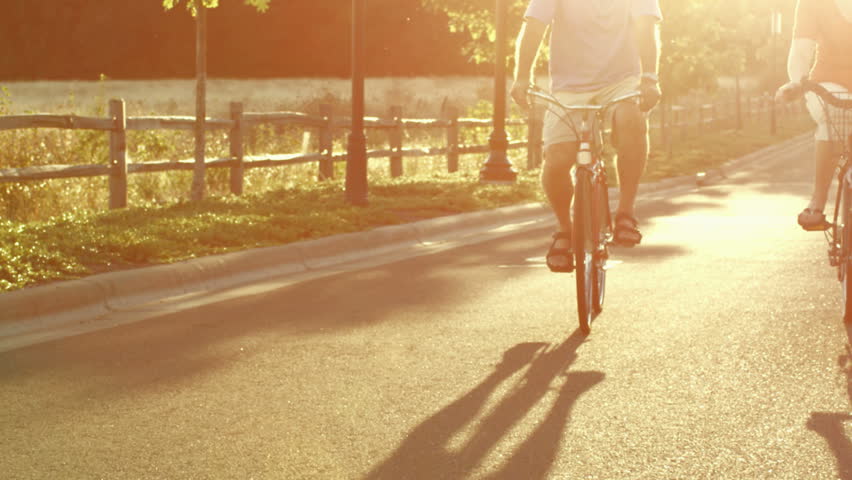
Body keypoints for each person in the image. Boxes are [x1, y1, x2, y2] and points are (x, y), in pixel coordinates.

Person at [510, 0, 663, 273]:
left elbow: (646, 26)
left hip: (621, 81)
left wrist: (650, 77)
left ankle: (625, 213)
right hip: (569, 87)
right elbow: (534, 27)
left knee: (632, 119)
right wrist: (522, 76)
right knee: (557, 158)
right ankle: (564, 229)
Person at [776, 0, 852, 230]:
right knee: (832, 116)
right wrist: (797, 82)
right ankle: (818, 200)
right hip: (829, 81)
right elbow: (801, 49)